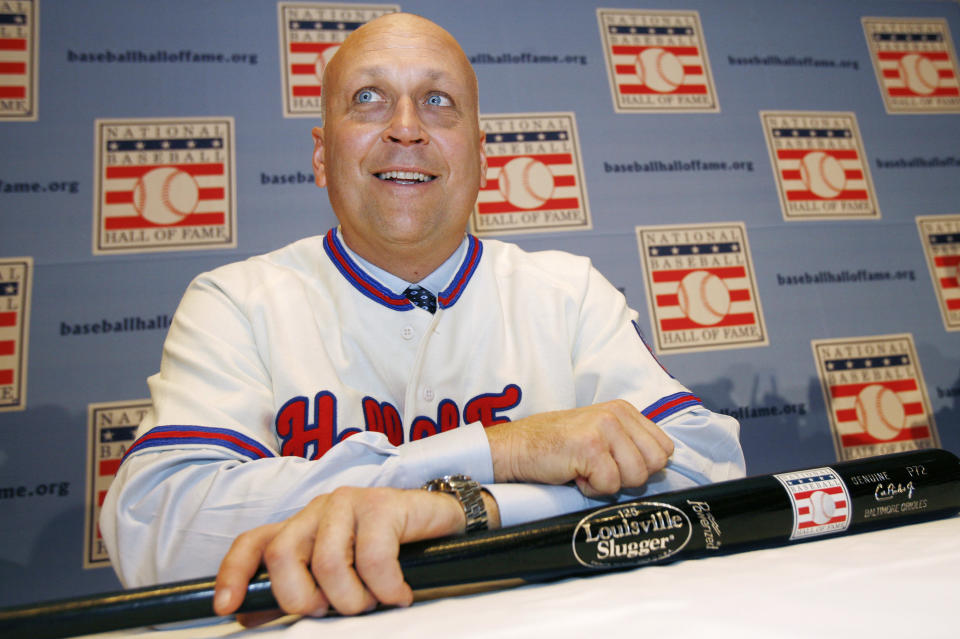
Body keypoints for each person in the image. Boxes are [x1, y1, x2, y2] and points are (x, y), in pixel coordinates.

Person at [100, 12, 745, 623]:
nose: (406, 127)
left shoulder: (566, 290)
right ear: (322, 154)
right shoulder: (238, 300)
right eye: (369, 98)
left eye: (438, 102)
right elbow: (159, 535)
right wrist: (503, 448)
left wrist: (471, 510)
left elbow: (709, 479)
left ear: (482, 154)